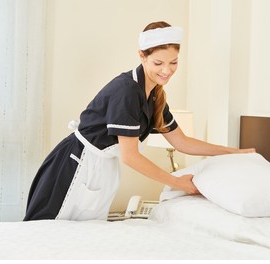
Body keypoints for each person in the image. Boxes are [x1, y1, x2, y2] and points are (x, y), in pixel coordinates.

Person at [24, 21, 255, 221]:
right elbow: (130, 157)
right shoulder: (127, 91)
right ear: (142, 56)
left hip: (101, 167)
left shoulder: (155, 95)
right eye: (158, 63)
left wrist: (232, 152)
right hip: (76, 165)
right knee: (44, 232)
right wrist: (180, 183)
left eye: (173, 62)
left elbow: (181, 142)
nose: (167, 71)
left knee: (83, 239)